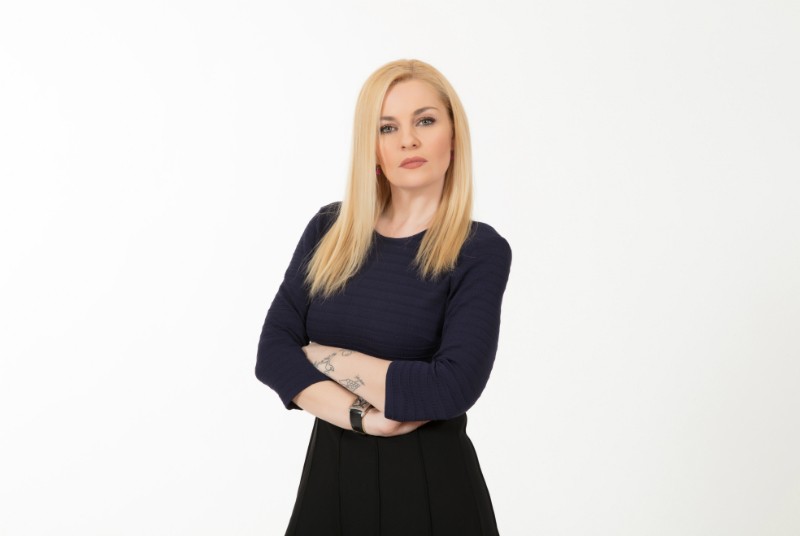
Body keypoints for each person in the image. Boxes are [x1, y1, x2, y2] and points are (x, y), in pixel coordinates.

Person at [255, 58, 512, 536]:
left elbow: (451, 387)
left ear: (454, 136)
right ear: (371, 147)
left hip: (432, 494)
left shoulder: (478, 250)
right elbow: (271, 355)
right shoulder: (329, 230)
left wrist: (319, 355)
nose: (407, 140)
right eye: (387, 127)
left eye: (425, 121)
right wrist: (365, 419)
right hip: (328, 489)